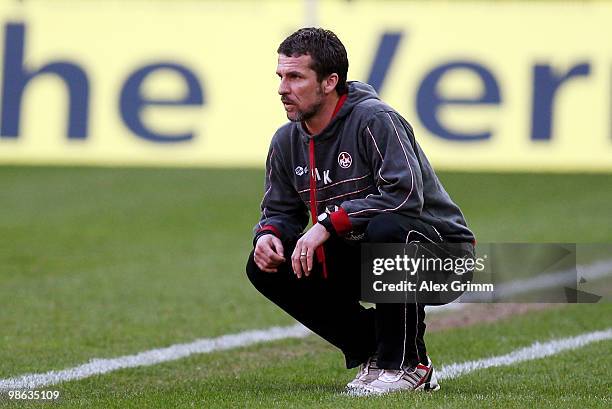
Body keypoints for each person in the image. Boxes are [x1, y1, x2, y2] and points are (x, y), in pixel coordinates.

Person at [246, 27, 475, 395]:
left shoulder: (376, 120)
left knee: (387, 228)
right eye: (280, 77)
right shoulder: (286, 140)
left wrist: (327, 224)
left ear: (328, 82)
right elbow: (280, 210)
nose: (282, 89)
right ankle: (374, 351)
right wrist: (269, 234)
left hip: (441, 256)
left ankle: (406, 365)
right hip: (364, 254)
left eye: (295, 77)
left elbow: (405, 197)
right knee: (267, 265)